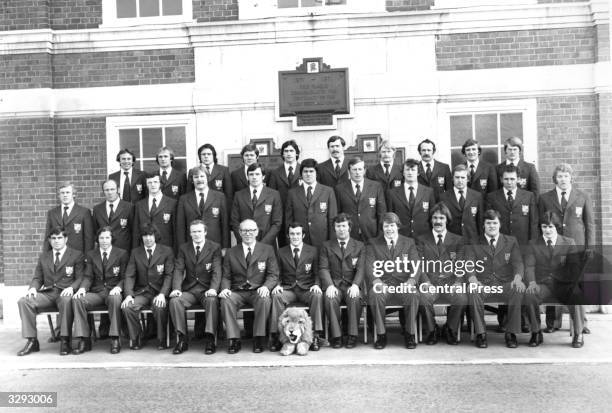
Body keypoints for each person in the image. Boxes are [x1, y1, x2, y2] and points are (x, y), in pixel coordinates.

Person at [538, 163, 595, 333]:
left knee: (576, 283)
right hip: (553, 245)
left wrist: (589, 247)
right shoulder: (545, 198)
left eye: (566, 176)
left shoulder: (582, 196)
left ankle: (582, 323)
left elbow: (589, 223)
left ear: (571, 177)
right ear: (555, 178)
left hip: (576, 246)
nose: (563, 179)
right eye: (560, 176)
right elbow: (539, 224)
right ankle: (552, 322)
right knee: (552, 277)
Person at [17, 227, 85, 356]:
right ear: (49, 240)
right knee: (24, 302)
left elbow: (80, 277)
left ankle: (65, 339)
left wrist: (72, 288)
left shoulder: (76, 255)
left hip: (65, 292)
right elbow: (38, 277)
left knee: (66, 301)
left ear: (66, 239)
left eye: (60, 238)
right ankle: (32, 341)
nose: (57, 241)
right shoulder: (44, 257)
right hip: (48, 293)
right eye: (53, 238)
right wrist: (33, 288)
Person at [523, 211, 586, 348]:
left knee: (576, 294)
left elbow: (574, 267)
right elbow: (529, 266)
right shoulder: (533, 243)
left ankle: (578, 333)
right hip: (543, 284)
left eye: (551, 227)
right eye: (544, 226)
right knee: (529, 295)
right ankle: (536, 332)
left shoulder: (569, 242)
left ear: (556, 227)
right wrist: (532, 282)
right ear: (540, 227)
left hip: (563, 284)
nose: (547, 230)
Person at [366, 212, 428, 349]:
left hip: (403, 284)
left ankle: (410, 334)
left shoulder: (409, 242)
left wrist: (411, 282)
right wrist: (377, 282)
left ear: (397, 226)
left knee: (413, 294)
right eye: (386, 226)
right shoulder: (373, 243)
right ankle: (381, 335)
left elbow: (416, 265)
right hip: (383, 284)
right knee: (375, 295)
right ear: (382, 227)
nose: (389, 229)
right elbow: (369, 266)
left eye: (392, 225)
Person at [465, 210, 525, 349]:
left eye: (495, 223)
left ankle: (511, 333)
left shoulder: (510, 241)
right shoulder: (474, 242)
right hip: (483, 283)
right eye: (488, 223)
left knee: (518, 289)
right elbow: (469, 263)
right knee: (473, 290)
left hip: (504, 283)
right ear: (483, 225)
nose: (492, 226)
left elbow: (518, 263)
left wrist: (517, 278)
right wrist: (473, 279)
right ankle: (481, 333)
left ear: (500, 224)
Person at [219, 219, 279, 354]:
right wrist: (225, 289)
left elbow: (273, 274)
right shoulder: (231, 252)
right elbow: (226, 276)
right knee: (226, 300)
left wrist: (266, 287)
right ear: (239, 232)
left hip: (258, 290)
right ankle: (234, 339)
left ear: (257, 232)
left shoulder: (267, 250)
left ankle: (258, 337)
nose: (248, 233)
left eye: (251, 230)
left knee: (264, 299)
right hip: (237, 291)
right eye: (245, 230)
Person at [416, 203, 467, 345]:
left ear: (447, 220)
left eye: (442, 218)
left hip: (450, 283)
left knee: (461, 298)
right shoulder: (421, 239)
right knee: (423, 298)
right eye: (435, 218)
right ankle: (432, 331)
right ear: (431, 220)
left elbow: (461, 265)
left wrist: (457, 283)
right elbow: (418, 265)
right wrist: (425, 282)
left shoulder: (458, 240)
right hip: (431, 282)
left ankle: (450, 329)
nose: (438, 221)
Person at [169, 220, 222, 355]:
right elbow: (179, 270)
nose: (196, 234)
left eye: (199, 231)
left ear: (205, 232)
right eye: (194, 232)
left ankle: (210, 338)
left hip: (207, 290)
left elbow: (217, 271)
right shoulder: (183, 248)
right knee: (175, 301)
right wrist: (176, 288)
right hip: (190, 289)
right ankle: (182, 339)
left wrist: (213, 289)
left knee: (211, 301)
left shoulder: (214, 247)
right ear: (190, 233)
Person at [73, 227, 128, 354]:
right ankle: (84, 339)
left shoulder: (121, 254)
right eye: (101, 238)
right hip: (97, 292)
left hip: (113, 291)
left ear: (112, 239)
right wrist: (82, 289)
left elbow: (125, 277)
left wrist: (119, 288)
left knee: (115, 299)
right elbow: (88, 276)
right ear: (97, 239)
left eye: (107, 237)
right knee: (78, 300)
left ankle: (115, 338)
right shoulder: (92, 254)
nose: (104, 241)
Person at [269, 223, 323, 352]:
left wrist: (317, 284)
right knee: (276, 296)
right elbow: (277, 272)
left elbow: (317, 272)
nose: (295, 236)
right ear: (288, 236)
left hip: (307, 289)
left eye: (298, 234)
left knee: (317, 295)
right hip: (289, 289)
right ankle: (277, 336)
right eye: (292, 234)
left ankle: (315, 336)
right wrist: (277, 285)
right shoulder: (281, 252)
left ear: (303, 235)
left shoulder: (313, 250)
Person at [121, 224, 174, 350]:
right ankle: (137, 337)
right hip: (142, 292)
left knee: (159, 306)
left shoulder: (166, 251)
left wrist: (162, 294)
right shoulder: (135, 252)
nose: (148, 238)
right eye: (145, 235)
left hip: (159, 292)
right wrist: (128, 295)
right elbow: (129, 275)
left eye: (151, 235)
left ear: (155, 236)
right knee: (127, 307)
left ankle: (162, 339)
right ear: (141, 237)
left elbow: (169, 275)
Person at [318, 213, 365, 349]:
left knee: (355, 298)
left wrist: (356, 285)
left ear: (349, 227)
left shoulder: (359, 245)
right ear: (334, 228)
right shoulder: (326, 246)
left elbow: (361, 269)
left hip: (351, 284)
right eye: (338, 226)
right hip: (335, 285)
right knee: (329, 297)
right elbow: (323, 268)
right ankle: (336, 335)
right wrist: (330, 286)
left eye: (344, 226)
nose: (341, 229)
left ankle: (352, 335)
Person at [285, 158, 337, 248]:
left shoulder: (328, 191)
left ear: (316, 173)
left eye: (311, 171)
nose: (308, 174)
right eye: (305, 171)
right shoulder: (292, 193)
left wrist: (331, 242)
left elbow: (332, 219)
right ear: (301, 174)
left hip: (322, 240)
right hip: (300, 241)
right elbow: (288, 220)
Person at [335, 156, 387, 242]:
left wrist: (380, 233)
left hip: (371, 234)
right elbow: (337, 214)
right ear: (349, 171)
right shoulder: (339, 189)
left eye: (360, 169)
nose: (357, 172)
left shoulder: (376, 186)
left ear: (364, 171)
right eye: (354, 170)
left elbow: (381, 213)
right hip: (349, 234)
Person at [177, 165, 230, 249]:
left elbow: (225, 225)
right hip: (191, 246)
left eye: (202, 176)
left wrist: (225, 247)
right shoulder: (184, 199)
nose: (199, 179)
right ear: (192, 180)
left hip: (215, 245)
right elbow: (180, 227)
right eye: (196, 177)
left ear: (208, 178)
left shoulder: (220, 197)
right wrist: (181, 248)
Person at [230, 162, 282, 246]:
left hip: (267, 244)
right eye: (251, 174)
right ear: (247, 177)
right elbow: (235, 221)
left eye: (257, 174)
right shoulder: (239, 195)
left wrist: (264, 243)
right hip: (244, 244)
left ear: (263, 176)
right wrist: (244, 240)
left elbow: (277, 223)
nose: (254, 177)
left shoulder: (274, 195)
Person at [486, 165, 538, 246]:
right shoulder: (492, 197)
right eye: (506, 179)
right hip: (500, 243)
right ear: (501, 179)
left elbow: (533, 222)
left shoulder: (529, 196)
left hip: (522, 243)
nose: (509, 182)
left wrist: (533, 243)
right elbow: (488, 222)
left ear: (518, 179)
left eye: (512, 179)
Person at [387, 159, 436, 240]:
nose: (410, 172)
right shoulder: (392, 193)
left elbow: (432, 216)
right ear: (403, 172)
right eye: (407, 169)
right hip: (401, 237)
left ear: (418, 173)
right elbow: (390, 218)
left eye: (413, 170)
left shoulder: (428, 192)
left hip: (423, 238)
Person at [268, 139, 302, 247]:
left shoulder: (304, 170)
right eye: (286, 151)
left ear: (296, 153)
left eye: (291, 151)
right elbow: (271, 195)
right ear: (282, 154)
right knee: (284, 246)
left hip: (300, 214)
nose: (288, 153)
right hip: (282, 215)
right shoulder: (275, 173)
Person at [44, 182, 94, 253]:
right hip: (57, 255)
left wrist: (87, 258)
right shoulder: (52, 213)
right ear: (59, 195)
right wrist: (46, 256)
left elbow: (89, 238)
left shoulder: (84, 212)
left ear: (73, 194)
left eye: (68, 192)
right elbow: (48, 237)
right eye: (62, 193)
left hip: (77, 256)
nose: (65, 195)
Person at [439, 165, 484, 243]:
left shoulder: (477, 196)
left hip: (471, 241)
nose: (460, 180)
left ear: (468, 179)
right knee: (453, 256)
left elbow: (480, 221)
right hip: (451, 241)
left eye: (463, 177)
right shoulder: (443, 197)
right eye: (457, 177)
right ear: (452, 178)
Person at [133, 172, 178, 250]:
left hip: (166, 247)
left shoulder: (172, 203)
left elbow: (175, 229)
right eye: (149, 182)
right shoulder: (139, 205)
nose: (153, 185)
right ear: (146, 185)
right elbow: (136, 230)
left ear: (160, 184)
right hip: (144, 248)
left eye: (155, 182)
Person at [92, 179, 134, 252]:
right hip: (104, 252)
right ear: (103, 192)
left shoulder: (129, 207)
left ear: (118, 190)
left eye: (112, 189)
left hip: (124, 251)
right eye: (107, 190)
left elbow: (133, 231)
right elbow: (95, 231)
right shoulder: (97, 209)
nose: (110, 192)